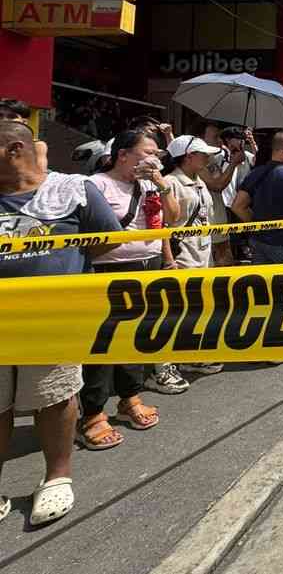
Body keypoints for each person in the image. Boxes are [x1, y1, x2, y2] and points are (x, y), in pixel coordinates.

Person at [0, 120, 121, 526]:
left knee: (54, 397)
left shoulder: (72, 189)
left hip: (51, 320)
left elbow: (108, 238)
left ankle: (56, 477)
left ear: (14, 149)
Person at [85, 133, 185, 421]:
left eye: (157, 153)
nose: (154, 158)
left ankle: (129, 398)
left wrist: (162, 184)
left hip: (148, 265)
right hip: (109, 270)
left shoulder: (150, 184)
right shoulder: (96, 184)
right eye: (147, 152)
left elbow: (173, 219)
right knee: (103, 340)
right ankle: (92, 411)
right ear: (123, 155)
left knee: (136, 335)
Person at [162, 135, 223, 377]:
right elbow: (165, 225)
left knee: (200, 304)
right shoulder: (169, 182)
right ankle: (184, 356)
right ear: (189, 156)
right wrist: (169, 260)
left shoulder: (199, 182)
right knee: (185, 306)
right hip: (183, 253)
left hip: (203, 251)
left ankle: (194, 352)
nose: (208, 158)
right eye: (203, 154)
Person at [232, 131, 283, 264]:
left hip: (258, 242)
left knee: (262, 283)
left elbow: (237, 206)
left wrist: (256, 225)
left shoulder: (255, 173)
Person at [202, 127, 253, 266]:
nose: (219, 141)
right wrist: (233, 163)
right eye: (215, 137)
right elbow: (218, 185)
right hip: (210, 215)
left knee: (225, 250)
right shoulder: (202, 162)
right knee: (217, 253)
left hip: (223, 210)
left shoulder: (215, 157)